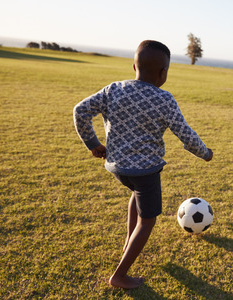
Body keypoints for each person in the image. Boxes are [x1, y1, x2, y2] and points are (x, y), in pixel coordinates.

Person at [73, 40, 213, 289]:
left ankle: (129, 242)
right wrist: (205, 153)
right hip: (146, 171)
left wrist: (93, 144)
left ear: (134, 66)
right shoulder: (164, 99)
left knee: (136, 200)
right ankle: (120, 275)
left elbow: (80, 111)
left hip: (118, 168)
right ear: (163, 72)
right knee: (147, 221)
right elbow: (185, 134)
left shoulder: (113, 89)